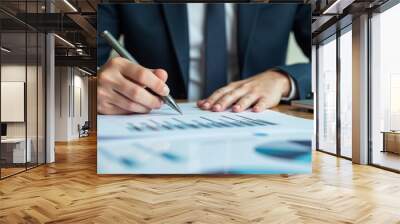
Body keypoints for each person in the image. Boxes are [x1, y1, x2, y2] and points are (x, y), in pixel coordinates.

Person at [97, 3, 311, 115]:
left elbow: (340, 55)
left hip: (260, 128)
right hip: (155, 129)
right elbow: (80, 60)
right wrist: (95, 85)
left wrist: (285, 80)